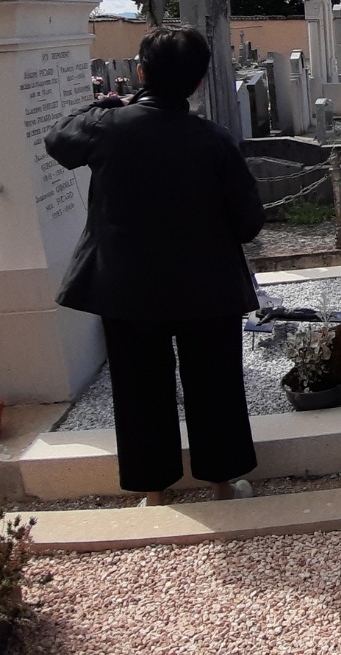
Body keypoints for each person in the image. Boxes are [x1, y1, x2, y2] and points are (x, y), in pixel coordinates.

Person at [44, 26, 265, 506]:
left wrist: (109, 103)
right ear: (199, 81)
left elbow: (58, 140)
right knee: (215, 383)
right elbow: (248, 222)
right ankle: (221, 484)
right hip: (207, 284)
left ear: (141, 73)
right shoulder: (215, 140)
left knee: (139, 386)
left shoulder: (108, 128)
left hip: (128, 284)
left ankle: (154, 490)